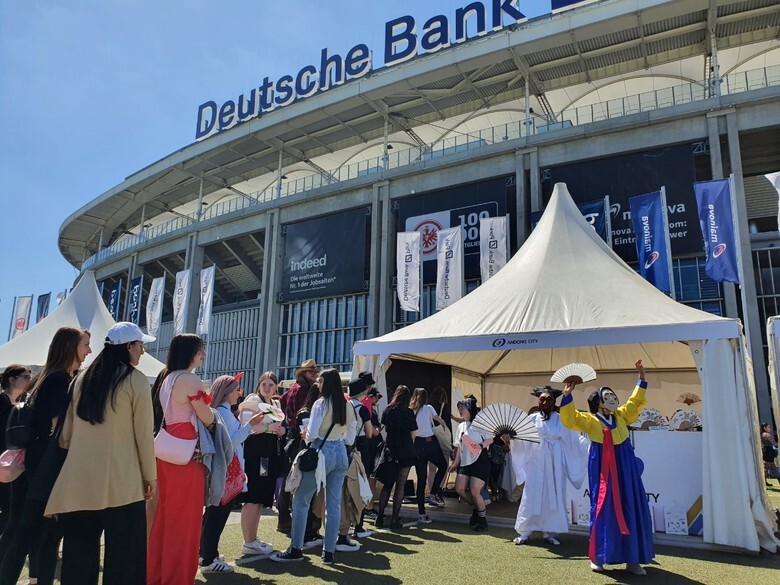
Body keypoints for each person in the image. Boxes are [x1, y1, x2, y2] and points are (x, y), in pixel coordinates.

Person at [45, 322, 156, 585]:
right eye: (140, 346)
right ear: (129, 347)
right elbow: (144, 434)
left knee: (77, 562)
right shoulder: (135, 379)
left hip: (79, 482)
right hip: (123, 483)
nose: (142, 352)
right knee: (125, 563)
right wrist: (150, 476)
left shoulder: (81, 379)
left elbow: (66, 435)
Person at [0, 326, 91, 585]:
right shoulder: (59, 379)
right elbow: (56, 426)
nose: (89, 351)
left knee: (40, 535)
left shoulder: (49, 376)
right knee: (32, 534)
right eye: (85, 344)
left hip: (38, 465)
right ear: (70, 347)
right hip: (46, 468)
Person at [559, 360, 654, 576]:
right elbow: (570, 419)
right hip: (603, 467)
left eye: (613, 395)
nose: (613, 399)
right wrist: (567, 395)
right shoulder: (591, 421)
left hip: (625, 465)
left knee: (631, 505)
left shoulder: (621, 416)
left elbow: (634, 402)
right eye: (607, 396)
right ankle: (598, 557)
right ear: (599, 403)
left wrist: (642, 378)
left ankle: (633, 559)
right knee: (604, 508)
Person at [147, 334, 215, 585]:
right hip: (187, 456)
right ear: (190, 352)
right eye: (200, 350)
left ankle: (157, 574)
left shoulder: (167, 377)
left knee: (163, 519)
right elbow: (208, 418)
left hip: (167, 453)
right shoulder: (189, 379)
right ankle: (177, 577)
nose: (203, 354)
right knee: (185, 521)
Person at [270, 368, 355, 565]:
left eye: (321, 381)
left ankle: (296, 548)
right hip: (340, 452)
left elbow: (312, 434)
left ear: (327, 383)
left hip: (321, 452)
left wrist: (306, 434)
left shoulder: (321, 403)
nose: (318, 383)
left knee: (301, 500)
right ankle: (329, 552)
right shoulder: (348, 405)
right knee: (333, 504)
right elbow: (350, 437)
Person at [199, 374, 266, 573]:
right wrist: (250, 425)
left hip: (224, 468)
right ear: (227, 392)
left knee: (214, 514)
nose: (239, 393)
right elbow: (231, 442)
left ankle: (206, 553)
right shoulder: (223, 412)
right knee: (217, 514)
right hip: (226, 469)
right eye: (236, 389)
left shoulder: (221, 411)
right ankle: (208, 557)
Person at [511, 386, 589, 546]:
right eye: (542, 399)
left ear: (554, 402)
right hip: (536, 461)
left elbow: (573, 440)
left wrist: (589, 445)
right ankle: (525, 532)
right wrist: (512, 439)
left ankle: (550, 532)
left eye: (549, 399)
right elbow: (522, 439)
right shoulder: (531, 419)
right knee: (531, 494)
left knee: (554, 495)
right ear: (538, 401)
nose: (545, 402)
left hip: (555, 463)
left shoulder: (561, 419)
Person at [239, 371, 286, 556]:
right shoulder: (252, 400)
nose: (267, 388)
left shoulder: (275, 403)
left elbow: (278, 426)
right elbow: (246, 427)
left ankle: (253, 539)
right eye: (264, 384)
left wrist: (280, 430)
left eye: (271, 385)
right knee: (253, 496)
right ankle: (248, 541)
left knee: (260, 497)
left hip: (268, 454)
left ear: (276, 387)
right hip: (255, 453)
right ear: (259, 385)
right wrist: (269, 427)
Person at [277, 359, 320, 531]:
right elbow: (305, 414)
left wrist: (288, 419)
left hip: (292, 434)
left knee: (290, 477)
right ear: (304, 373)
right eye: (311, 372)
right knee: (298, 478)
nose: (314, 375)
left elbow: (281, 401)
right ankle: (298, 521)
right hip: (300, 435)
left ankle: (284, 518)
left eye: (315, 372)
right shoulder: (303, 389)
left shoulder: (293, 388)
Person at [373, 385, 417, 529]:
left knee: (387, 484)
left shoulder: (388, 410)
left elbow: (383, 428)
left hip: (390, 450)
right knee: (400, 485)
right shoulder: (409, 413)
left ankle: (379, 518)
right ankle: (394, 519)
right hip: (406, 451)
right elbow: (413, 434)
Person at [449, 396, 492, 532]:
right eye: (459, 408)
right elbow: (459, 447)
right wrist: (455, 463)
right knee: (460, 489)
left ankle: (482, 521)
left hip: (480, 460)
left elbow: (491, 439)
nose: (460, 410)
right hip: (465, 462)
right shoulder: (461, 426)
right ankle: (477, 508)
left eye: (462, 408)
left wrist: (481, 445)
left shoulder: (481, 423)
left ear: (469, 409)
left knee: (474, 490)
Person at [0, 365, 31, 536]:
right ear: (12, 379)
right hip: (3, 462)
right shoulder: (2, 402)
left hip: (11, 464)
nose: (28, 380)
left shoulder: (19, 403)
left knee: (10, 507)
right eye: (25, 377)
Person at [409, 387, 447, 522]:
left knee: (421, 479)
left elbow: (411, 432)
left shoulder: (411, 410)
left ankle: (421, 513)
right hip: (430, 443)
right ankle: (433, 493)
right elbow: (440, 422)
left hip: (417, 445)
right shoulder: (429, 408)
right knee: (443, 466)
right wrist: (443, 429)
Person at [360, 387, 383, 519]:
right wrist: (377, 430)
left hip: (372, 448)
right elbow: (372, 432)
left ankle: (367, 507)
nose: (377, 399)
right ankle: (368, 508)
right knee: (370, 479)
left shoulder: (370, 410)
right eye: (376, 397)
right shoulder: (366, 410)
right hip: (370, 448)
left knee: (370, 478)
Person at [427, 386, 451, 503]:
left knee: (431, 470)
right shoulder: (444, 407)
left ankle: (431, 492)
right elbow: (448, 424)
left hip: (432, 440)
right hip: (442, 440)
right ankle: (438, 491)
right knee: (444, 467)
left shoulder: (428, 407)